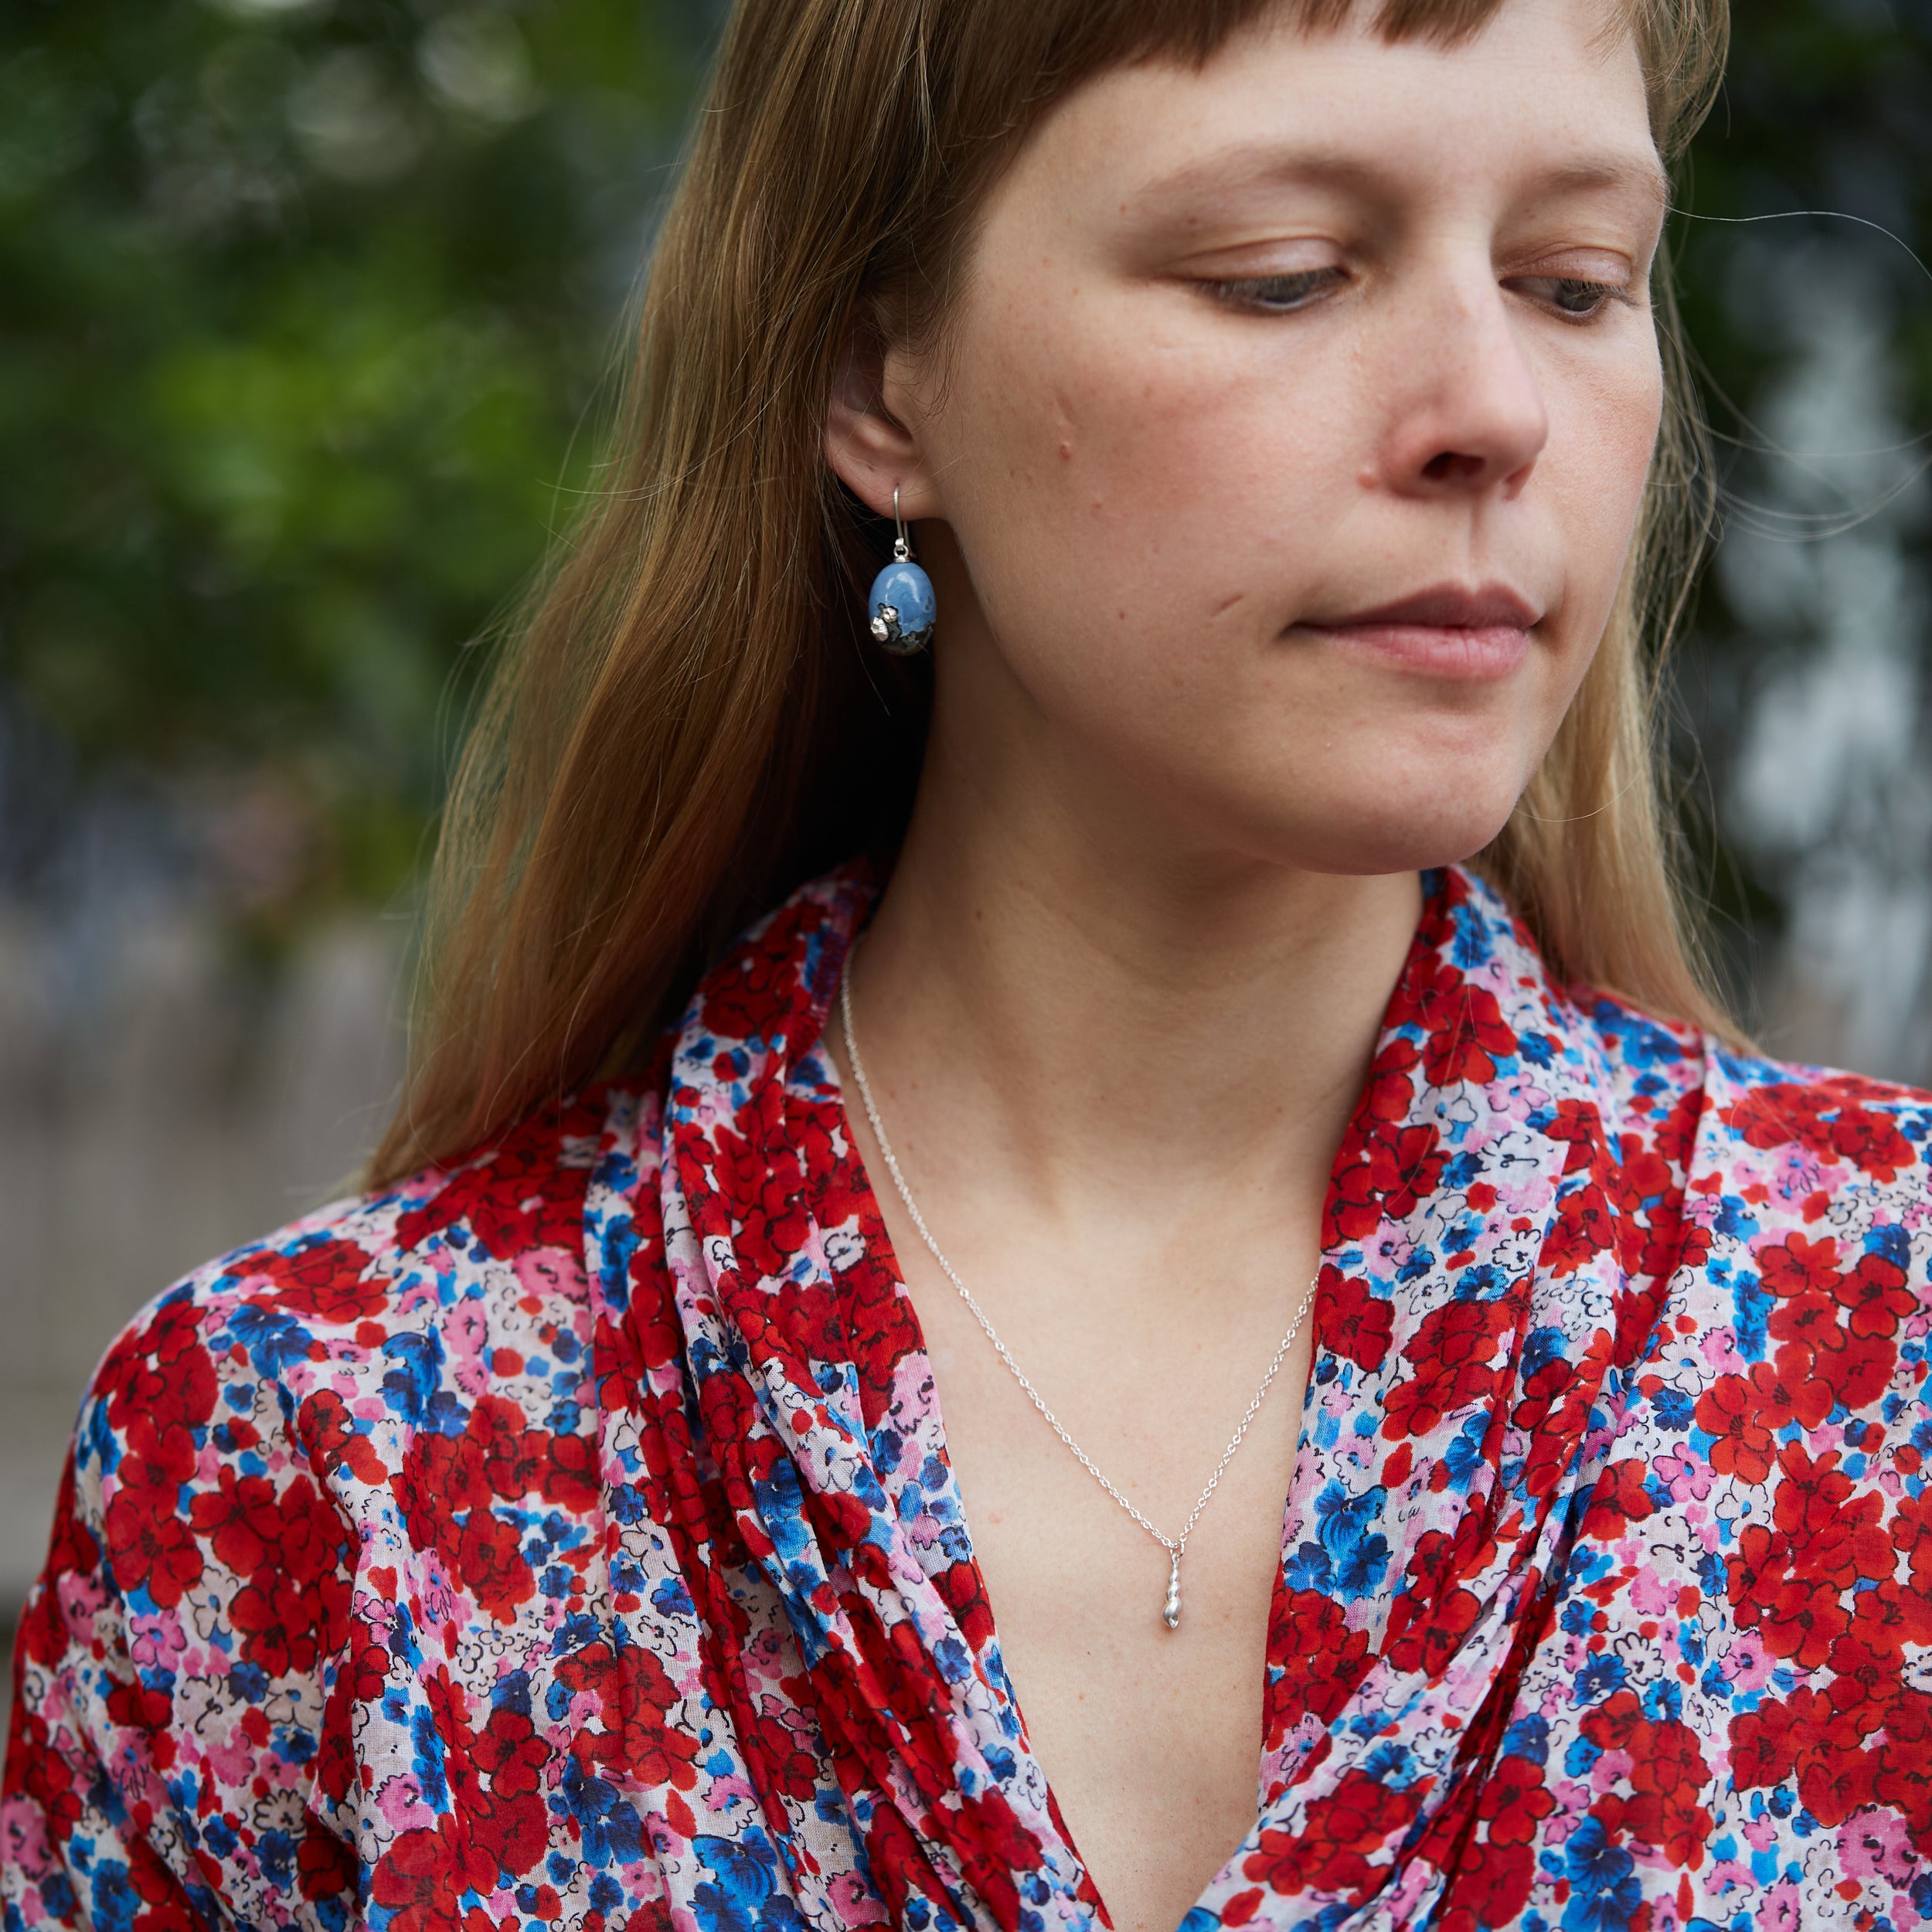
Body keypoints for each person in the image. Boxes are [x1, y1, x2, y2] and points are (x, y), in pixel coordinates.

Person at [8, 0, 1932, 1925]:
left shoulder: (1882, 1339)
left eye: (1574, 282)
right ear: (876, 377)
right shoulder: (326, 1444)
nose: (1490, 407)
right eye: (1279, 275)